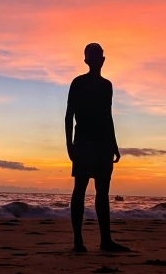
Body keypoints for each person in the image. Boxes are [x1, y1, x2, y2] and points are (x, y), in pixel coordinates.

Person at [65, 42, 130, 253]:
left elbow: (108, 116)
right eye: (92, 55)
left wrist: (114, 143)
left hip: (103, 143)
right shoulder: (78, 83)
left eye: (99, 55)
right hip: (83, 142)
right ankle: (77, 241)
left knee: (103, 192)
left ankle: (105, 240)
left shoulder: (107, 86)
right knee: (80, 189)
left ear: (103, 60)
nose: (96, 58)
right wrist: (69, 144)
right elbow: (69, 115)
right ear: (86, 60)